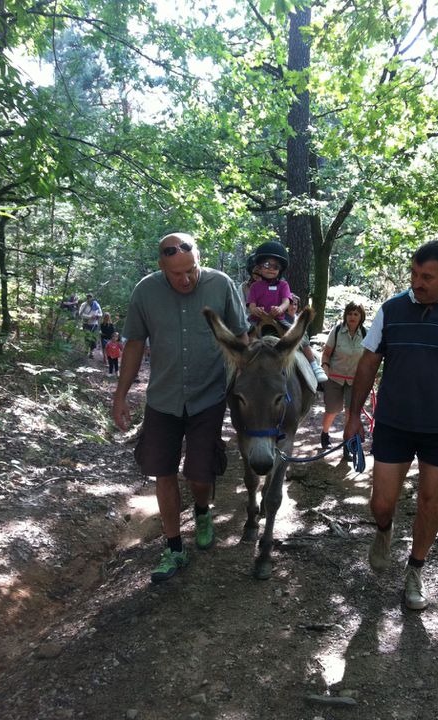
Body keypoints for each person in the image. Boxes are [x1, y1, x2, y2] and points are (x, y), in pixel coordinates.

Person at [344, 240, 438, 610]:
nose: (417, 282)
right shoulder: (391, 311)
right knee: (382, 503)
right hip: (394, 423)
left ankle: (415, 572)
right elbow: (367, 364)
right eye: (413, 273)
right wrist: (352, 416)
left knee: (430, 503)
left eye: (426, 277)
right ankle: (384, 531)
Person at [112, 232, 248, 584]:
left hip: (209, 395)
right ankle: (174, 548)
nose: (186, 279)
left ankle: (202, 510)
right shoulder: (146, 291)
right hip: (163, 398)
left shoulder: (221, 285)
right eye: (177, 274)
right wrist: (121, 395)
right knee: (163, 472)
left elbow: (241, 338)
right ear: (162, 267)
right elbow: (134, 344)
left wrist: (248, 390)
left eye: (191, 270)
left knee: (200, 473)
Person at [247, 241, 328, 385]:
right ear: (259, 267)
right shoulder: (255, 287)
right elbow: (251, 305)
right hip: (258, 319)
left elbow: (286, 301)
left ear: (280, 269)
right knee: (242, 338)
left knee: (300, 337)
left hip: (278, 319)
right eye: (267, 265)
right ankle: (234, 371)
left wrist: (280, 309)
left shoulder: (283, 285)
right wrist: (255, 310)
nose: (271, 269)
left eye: (275, 266)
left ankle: (314, 366)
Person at [320, 302, 367, 456]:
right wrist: (325, 366)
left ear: (361, 317)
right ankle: (325, 433)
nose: (352, 317)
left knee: (350, 413)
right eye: (350, 313)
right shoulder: (337, 331)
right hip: (334, 377)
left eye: (356, 314)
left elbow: (368, 359)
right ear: (345, 315)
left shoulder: (366, 334)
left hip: (355, 381)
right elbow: (326, 353)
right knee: (332, 410)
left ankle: (347, 444)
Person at [78, 293, 103, 358]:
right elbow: (80, 314)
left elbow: (101, 314)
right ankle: (86, 350)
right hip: (86, 323)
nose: (89, 298)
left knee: (93, 338)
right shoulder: (84, 305)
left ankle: (91, 352)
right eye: (88, 297)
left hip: (94, 324)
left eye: (90, 297)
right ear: (87, 298)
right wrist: (90, 317)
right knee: (87, 337)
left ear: (92, 298)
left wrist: (96, 316)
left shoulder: (96, 304)